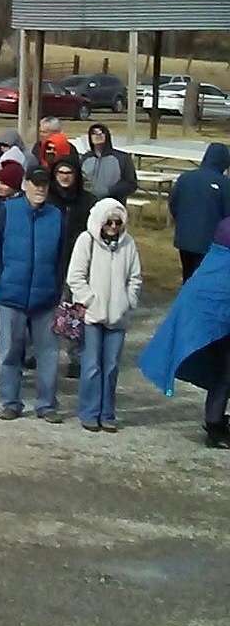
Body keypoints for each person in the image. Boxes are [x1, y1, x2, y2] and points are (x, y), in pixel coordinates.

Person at [139, 213, 230, 447]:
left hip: (210, 311)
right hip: (216, 315)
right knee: (224, 372)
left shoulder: (222, 233)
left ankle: (215, 421)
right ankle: (215, 424)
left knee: (223, 371)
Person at [0, 167, 66, 421]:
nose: (40, 189)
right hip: (11, 295)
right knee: (10, 352)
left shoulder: (56, 216)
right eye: (35, 183)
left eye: (44, 184)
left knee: (48, 354)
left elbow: (62, 257)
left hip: (45, 298)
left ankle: (46, 404)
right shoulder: (6, 211)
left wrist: (56, 288)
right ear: (25, 186)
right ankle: (10, 402)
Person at [67, 198, 141, 433]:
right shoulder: (86, 241)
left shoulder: (128, 244)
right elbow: (75, 277)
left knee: (111, 367)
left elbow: (135, 278)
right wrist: (89, 301)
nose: (112, 226)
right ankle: (89, 412)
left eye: (117, 222)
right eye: (108, 222)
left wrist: (127, 302)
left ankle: (107, 413)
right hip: (92, 316)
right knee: (91, 366)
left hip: (117, 317)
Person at [169, 142, 230, 280]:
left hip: (184, 239)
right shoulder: (224, 184)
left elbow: (173, 204)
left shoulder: (185, 178)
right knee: (206, 278)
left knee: (188, 275)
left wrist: (182, 222)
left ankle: (186, 297)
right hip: (211, 242)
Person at [78, 122, 137, 202]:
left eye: (102, 132)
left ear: (107, 136)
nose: (98, 135)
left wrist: (109, 191)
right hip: (88, 204)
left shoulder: (122, 158)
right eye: (94, 133)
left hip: (113, 204)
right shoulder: (84, 159)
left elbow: (131, 184)